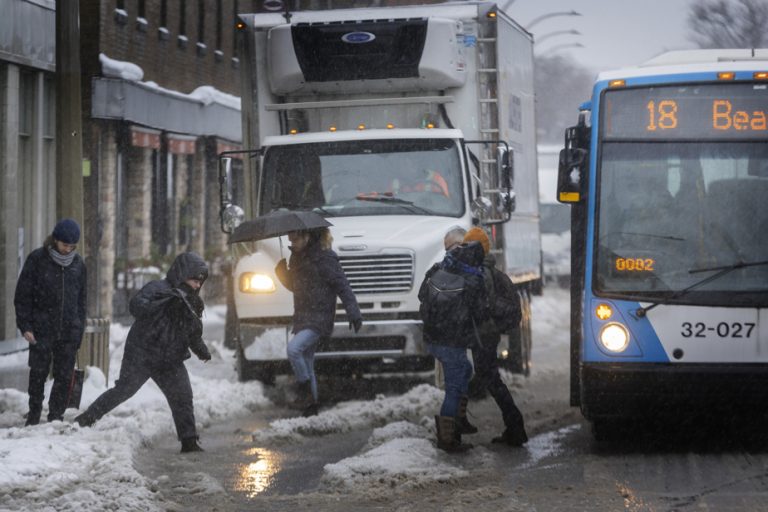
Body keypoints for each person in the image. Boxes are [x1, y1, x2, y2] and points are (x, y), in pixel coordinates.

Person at [75, 252, 212, 454]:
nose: (197, 286)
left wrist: (202, 350)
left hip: (170, 360)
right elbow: (136, 307)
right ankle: (85, 420)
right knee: (123, 390)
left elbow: (191, 332)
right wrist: (165, 301)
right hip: (142, 353)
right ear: (182, 274)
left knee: (182, 396)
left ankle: (189, 441)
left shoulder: (191, 301)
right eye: (194, 280)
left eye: (200, 282)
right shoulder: (157, 288)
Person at [274, 227, 362, 417]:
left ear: (307, 236)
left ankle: (304, 392)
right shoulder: (296, 257)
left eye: (295, 240)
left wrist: (353, 311)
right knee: (306, 361)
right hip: (303, 315)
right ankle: (311, 409)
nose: (292, 244)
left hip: (320, 317)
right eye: (290, 241)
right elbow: (295, 286)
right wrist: (282, 273)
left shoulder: (325, 258)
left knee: (293, 350)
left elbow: (342, 285)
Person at [14, 219, 87, 426]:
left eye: (72, 246)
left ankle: (56, 416)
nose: (67, 250)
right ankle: (34, 413)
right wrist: (25, 325)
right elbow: (23, 295)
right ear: (55, 240)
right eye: (64, 245)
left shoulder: (78, 265)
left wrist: (78, 330)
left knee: (64, 376)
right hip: (41, 329)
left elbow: (82, 301)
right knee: (38, 373)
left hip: (68, 331)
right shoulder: (37, 260)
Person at [418, 240, 489, 452]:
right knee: (453, 388)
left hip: (433, 337)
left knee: (465, 371)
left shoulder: (438, 268)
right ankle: (448, 440)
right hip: (453, 340)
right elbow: (481, 312)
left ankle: (458, 423)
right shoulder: (474, 279)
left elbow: (422, 295)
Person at [461, 227, 528, 446]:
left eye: (468, 245)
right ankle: (514, 426)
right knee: (490, 378)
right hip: (487, 335)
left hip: (483, 336)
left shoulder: (481, 274)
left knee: (491, 379)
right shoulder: (492, 273)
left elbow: (480, 307)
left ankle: (515, 426)